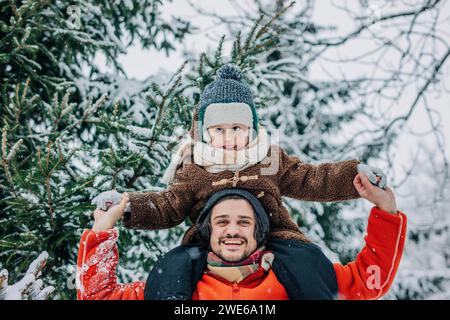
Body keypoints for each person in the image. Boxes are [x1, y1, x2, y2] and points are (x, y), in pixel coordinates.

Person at [91, 63, 386, 297]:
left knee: (307, 262)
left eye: (237, 128)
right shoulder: (194, 165)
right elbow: (168, 205)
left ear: (252, 128)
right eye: (219, 130)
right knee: (172, 267)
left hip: (275, 238)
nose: (228, 138)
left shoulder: (267, 158)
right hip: (209, 243)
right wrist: (129, 206)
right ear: (205, 132)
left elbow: (310, 178)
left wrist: (353, 177)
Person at [77, 172, 406, 300]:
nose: (232, 230)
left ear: (259, 232)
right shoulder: (175, 284)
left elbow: (367, 281)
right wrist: (101, 232)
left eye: (243, 222)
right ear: (208, 232)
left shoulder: (297, 279)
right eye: (221, 222)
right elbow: (98, 297)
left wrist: (386, 214)